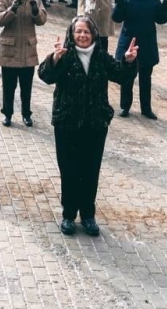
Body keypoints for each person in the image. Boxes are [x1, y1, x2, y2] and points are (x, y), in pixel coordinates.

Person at [38, 16, 138, 237]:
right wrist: (53, 59)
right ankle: (68, 214)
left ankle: (88, 215)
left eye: (86, 32)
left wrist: (129, 61)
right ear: (71, 34)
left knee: (90, 170)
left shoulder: (101, 57)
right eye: (78, 32)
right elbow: (45, 76)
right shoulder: (64, 55)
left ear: (93, 34)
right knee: (69, 169)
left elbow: (121, 75)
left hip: (95, 123)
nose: (82, 36)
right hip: (67, 122)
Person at [111, 0, 167, 119]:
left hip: (147, 42)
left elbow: (161, 20)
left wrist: (164, 9)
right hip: (129, 42)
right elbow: (117, 19)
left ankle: (146, 108)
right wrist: (118, 6)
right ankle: (125, 106)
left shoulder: (154, 1)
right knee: (127, 77)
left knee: (146, 78)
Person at [0, 0, 47, 127]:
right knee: (9, 87)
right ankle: (8, 114)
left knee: (26, 87)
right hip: (10, 50)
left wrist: (36, 13)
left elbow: (42, 20)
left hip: (27, 50)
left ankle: (26, 114)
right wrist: (12, 10)